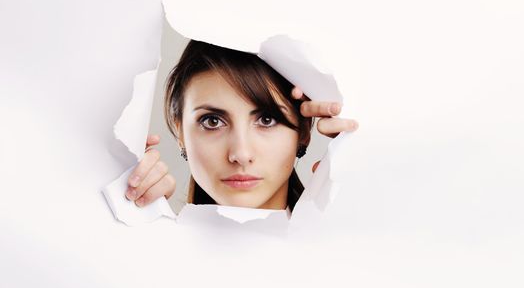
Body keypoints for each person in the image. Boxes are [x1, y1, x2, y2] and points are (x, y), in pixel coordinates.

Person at [124, 40, 358, 211]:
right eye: (213, 121)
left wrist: (365, 155)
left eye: (267, 120)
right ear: (180, 133)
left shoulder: (346, 250)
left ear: (304, 130)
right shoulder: (157, 250)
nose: (241, 154)